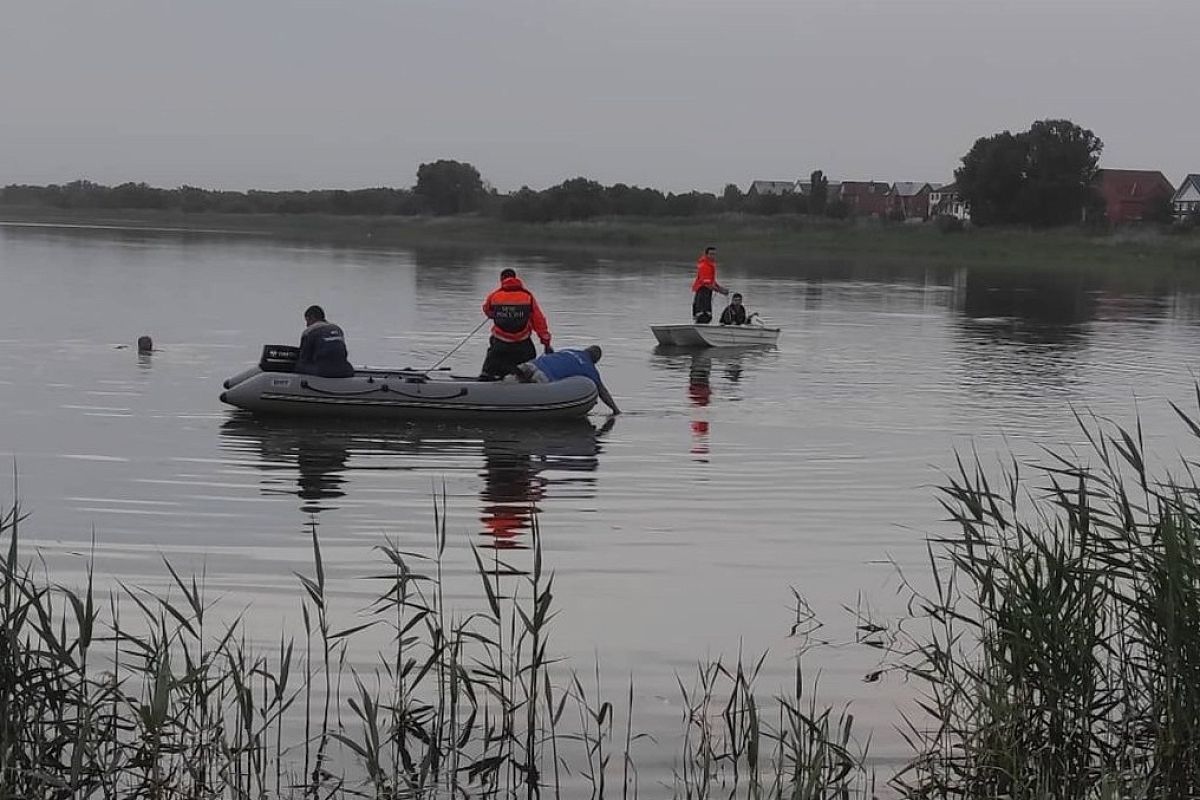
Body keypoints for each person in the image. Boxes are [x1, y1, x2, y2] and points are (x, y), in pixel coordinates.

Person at [480, 268, 552, 380]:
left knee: (491, 363)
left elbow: (487, 310)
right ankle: (523, 378)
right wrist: (546, 342)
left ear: (502, 279)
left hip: (500, 342)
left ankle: (488, 376)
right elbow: (539, 321)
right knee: (529, 363)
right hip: (522, 342)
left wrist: (498, 313)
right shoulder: (528, 296)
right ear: (515, 278)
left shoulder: (494, 296)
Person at [510, 345, 621, 414]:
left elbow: (552, 355)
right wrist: (615, 409)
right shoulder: (589, 368)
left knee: (510, 382)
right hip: (542, 376)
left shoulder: (568, 350)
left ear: (585, 350)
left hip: (531, 364)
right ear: (595, 361)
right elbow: (602, 392)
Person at [296, 305, 354, 378]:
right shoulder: (337, 329)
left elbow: (304, 358)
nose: (306, 325)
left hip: (324, 371)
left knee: (299, 367)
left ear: (312, 317)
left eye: (307, 320)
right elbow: (344, 354)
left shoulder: (309, 332)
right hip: (346, 370)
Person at [691, 246, 729, 324]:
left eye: (714, 254)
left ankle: (700, 326)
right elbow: (706, 284)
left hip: (707, 292)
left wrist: (721, 288)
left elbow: (712, 281)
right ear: (706, 254)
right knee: (704, 315)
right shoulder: (704, 266)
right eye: (711, 254)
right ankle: (700, 328)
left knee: (706, 315)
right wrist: (721, 291)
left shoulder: (710, 265)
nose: (713, 256)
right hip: (702, 292)